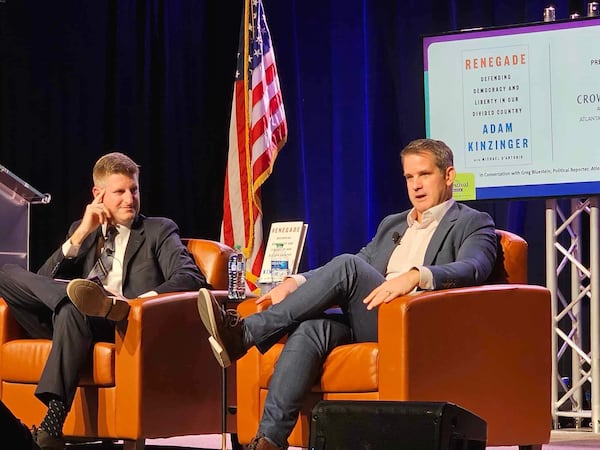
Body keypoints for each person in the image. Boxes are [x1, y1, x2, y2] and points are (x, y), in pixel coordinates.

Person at [197, 138, 498, 450]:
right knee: (312, 330)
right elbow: (360, 264)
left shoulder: (472, 222)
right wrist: (297, 281)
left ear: (448, 176)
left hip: (416, 323)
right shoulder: (394, 224)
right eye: (409, 177)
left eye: (424, 175)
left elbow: (474, 268)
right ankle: (269, 439)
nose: (416, 186)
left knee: (348, 266)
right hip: (372, 316)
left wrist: (415, 275)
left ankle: (245, 333)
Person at [0, 152, 207, 450]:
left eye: (133, 190)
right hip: (68, 321)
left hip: (120, 324)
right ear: (98, 194)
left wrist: (134, 303)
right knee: (9, 274)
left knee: (73, 309)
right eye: (120, 191)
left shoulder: (158, 230)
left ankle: (52, 424)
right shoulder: (81, 230)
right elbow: (42, 280)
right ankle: (83, 298)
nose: (129, 199)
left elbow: (190, 276)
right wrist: (81, 233)